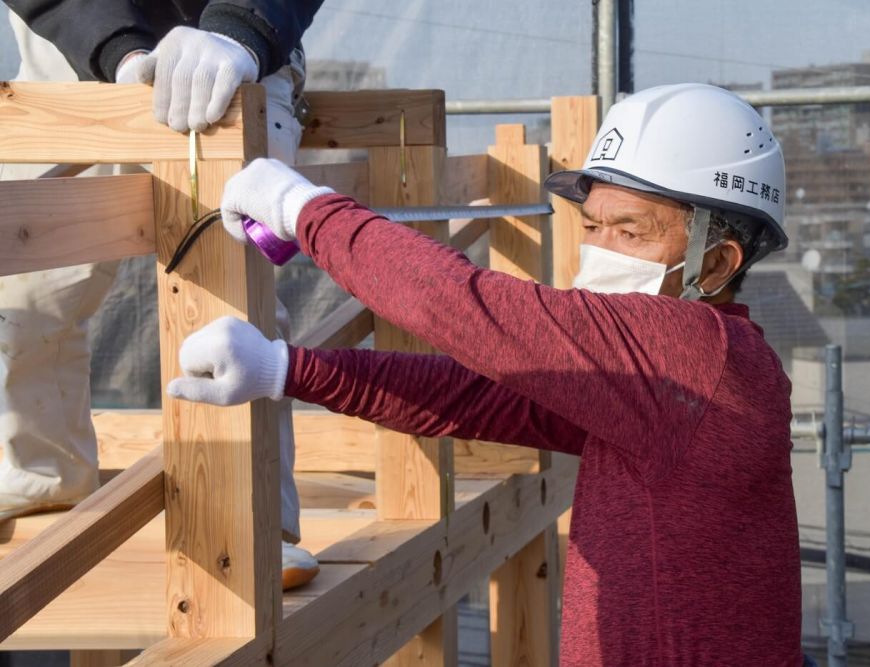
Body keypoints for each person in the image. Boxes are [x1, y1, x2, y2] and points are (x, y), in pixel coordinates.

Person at [168, 84, 808, 664]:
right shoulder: (667, 381)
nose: (600, 248)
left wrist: (306, 210)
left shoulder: (694, 352)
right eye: (592, 225)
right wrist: (290, 369)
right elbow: (479, 397)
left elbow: (460, 306)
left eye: (631, 231)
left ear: (717, 264)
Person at [0, 0, 324, 590]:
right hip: (69, 34)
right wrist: (114, 48)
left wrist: (243, 30)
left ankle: (249, 517)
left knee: (226, 276)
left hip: (227, 47)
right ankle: (43, 475)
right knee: (31, 275)